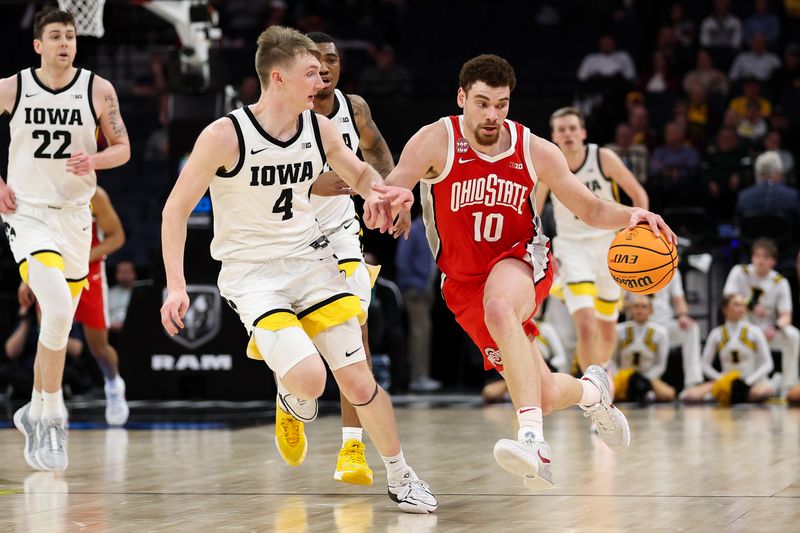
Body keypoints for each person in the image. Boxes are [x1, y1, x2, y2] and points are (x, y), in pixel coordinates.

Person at [159, 26, 436, 513]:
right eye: (311, 71)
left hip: (312, 261)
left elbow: (360, 171)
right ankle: (291, 399)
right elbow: (175, 210)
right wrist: (175, 285)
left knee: (359, 380)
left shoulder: (321, 127)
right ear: (278, 77)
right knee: (310, 379)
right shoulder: (225, 135)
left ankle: (401, 473)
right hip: (253, 274)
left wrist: (379, 193)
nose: (321, 78)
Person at [386, 54, 675, 488]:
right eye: (482, 103)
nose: (492, 114)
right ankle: (594, 391)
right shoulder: (435, 139)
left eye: (501, 104)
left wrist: (633, 214)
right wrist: (393, 200)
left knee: (500, 308)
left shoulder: (535, 149)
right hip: (462, 282)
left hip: (521, 259)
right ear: (461, 97)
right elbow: (396, 182)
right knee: (543, 393)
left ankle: (533, 442)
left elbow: (590, 206)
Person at [0, 8, 131, 471]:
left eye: (70, 36)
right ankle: (53, 418)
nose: (64, 43)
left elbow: (123, 148)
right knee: (55, 310)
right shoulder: (12, 87)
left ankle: (34, 408)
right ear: (38, 45)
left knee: (56, 326)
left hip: (76, 219)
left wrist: (96, 160)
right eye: (55, 36)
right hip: (29, 215)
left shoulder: (98, 88)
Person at [304, 31, 397, 487]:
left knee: (356, 337)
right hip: (287, 236)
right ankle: (290, 398)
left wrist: (390, 194)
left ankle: (352, 448)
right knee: (298, 346)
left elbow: (376, 150)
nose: (325, 67)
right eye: (316, 59)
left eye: (333, 59)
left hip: (340, 232)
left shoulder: (353, 107)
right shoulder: (284, 113)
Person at [536, 107, 649, 375]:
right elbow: (534, 212)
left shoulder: (603, 158)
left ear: (583, 132)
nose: (568, 134)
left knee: (607, 326)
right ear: (553, 136)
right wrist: (540, 250)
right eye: (561, 129)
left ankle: (603, 374)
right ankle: (593, 392)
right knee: (585, 324)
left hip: (609, 247)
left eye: (573, 128)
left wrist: (637, 235)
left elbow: (638, 196)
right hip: (572, 248)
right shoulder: (548, 166)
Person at [17, 186, 130, 426]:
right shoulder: (43, 190)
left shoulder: (95, 195)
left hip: (90, 276)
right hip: (52, 271)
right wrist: (25, 278)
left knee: (99, 347)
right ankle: (51, 404)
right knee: (48, 339)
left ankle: (113, 384)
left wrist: (79, 257)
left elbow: (117, 237)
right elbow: (31, 238)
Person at [722, 239, 800, 393]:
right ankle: (747, 384)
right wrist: (750, 305)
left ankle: (788, 385)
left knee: (793, 335)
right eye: (757, 256)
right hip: (742, 328)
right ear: (752, 257)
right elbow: (728, 298)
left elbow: (786, 316)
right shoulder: (740, 271)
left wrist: (775, 327)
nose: (760, 261)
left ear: (773, 261)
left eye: (765, 257)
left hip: (767, 330)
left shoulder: (779, 281)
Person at [681, 294, 775, 403]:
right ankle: (728, 395)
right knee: (689, 396)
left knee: (763, 392)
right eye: (736, 304)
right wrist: (721, 378)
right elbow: (704, 365)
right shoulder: (716, 333)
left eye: (742, 305)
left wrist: (748, 381)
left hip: (751, 381)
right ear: (725, 309)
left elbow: (768, 364)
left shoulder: (755, 331)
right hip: (726, 381)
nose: (741, 308)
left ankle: (734, 395)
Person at [642, 269, 703, 390]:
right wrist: (636, 306)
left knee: (691, 329)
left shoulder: (670, 268)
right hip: (638, 324)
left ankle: (693, 383)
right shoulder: (626, 266)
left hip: (664, 324)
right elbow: (620, 305)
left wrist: (682, 316)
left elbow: (678, 299)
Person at [614, 296, 675, 403]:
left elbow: (660, 365)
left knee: (668, 394)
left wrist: (645, 379)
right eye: (636, 306)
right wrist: (619, 377)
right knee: (608, 393)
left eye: (644, 307)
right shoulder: (618, 330)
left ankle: (645, 392)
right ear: (630, 309)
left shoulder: (661, 333)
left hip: (648, 378)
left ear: (651, 309)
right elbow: (612, 360)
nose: (639, 310)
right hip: (623, 378)